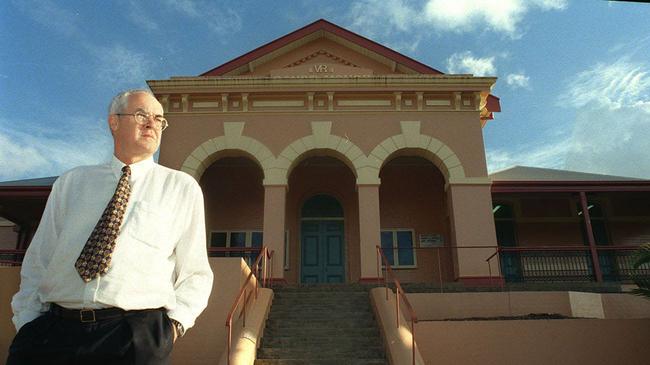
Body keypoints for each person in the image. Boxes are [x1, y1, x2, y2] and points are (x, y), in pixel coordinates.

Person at [7, 89, 213, 365]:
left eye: (159, 119)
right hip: (52, 333)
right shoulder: (72, 183)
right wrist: (27, 322)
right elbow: (39, 258)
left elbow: (195, 271)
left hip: (133, 338)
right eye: (141, 115)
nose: (152, 123)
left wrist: (172, 328)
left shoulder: (180, 187)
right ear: (114, 122)